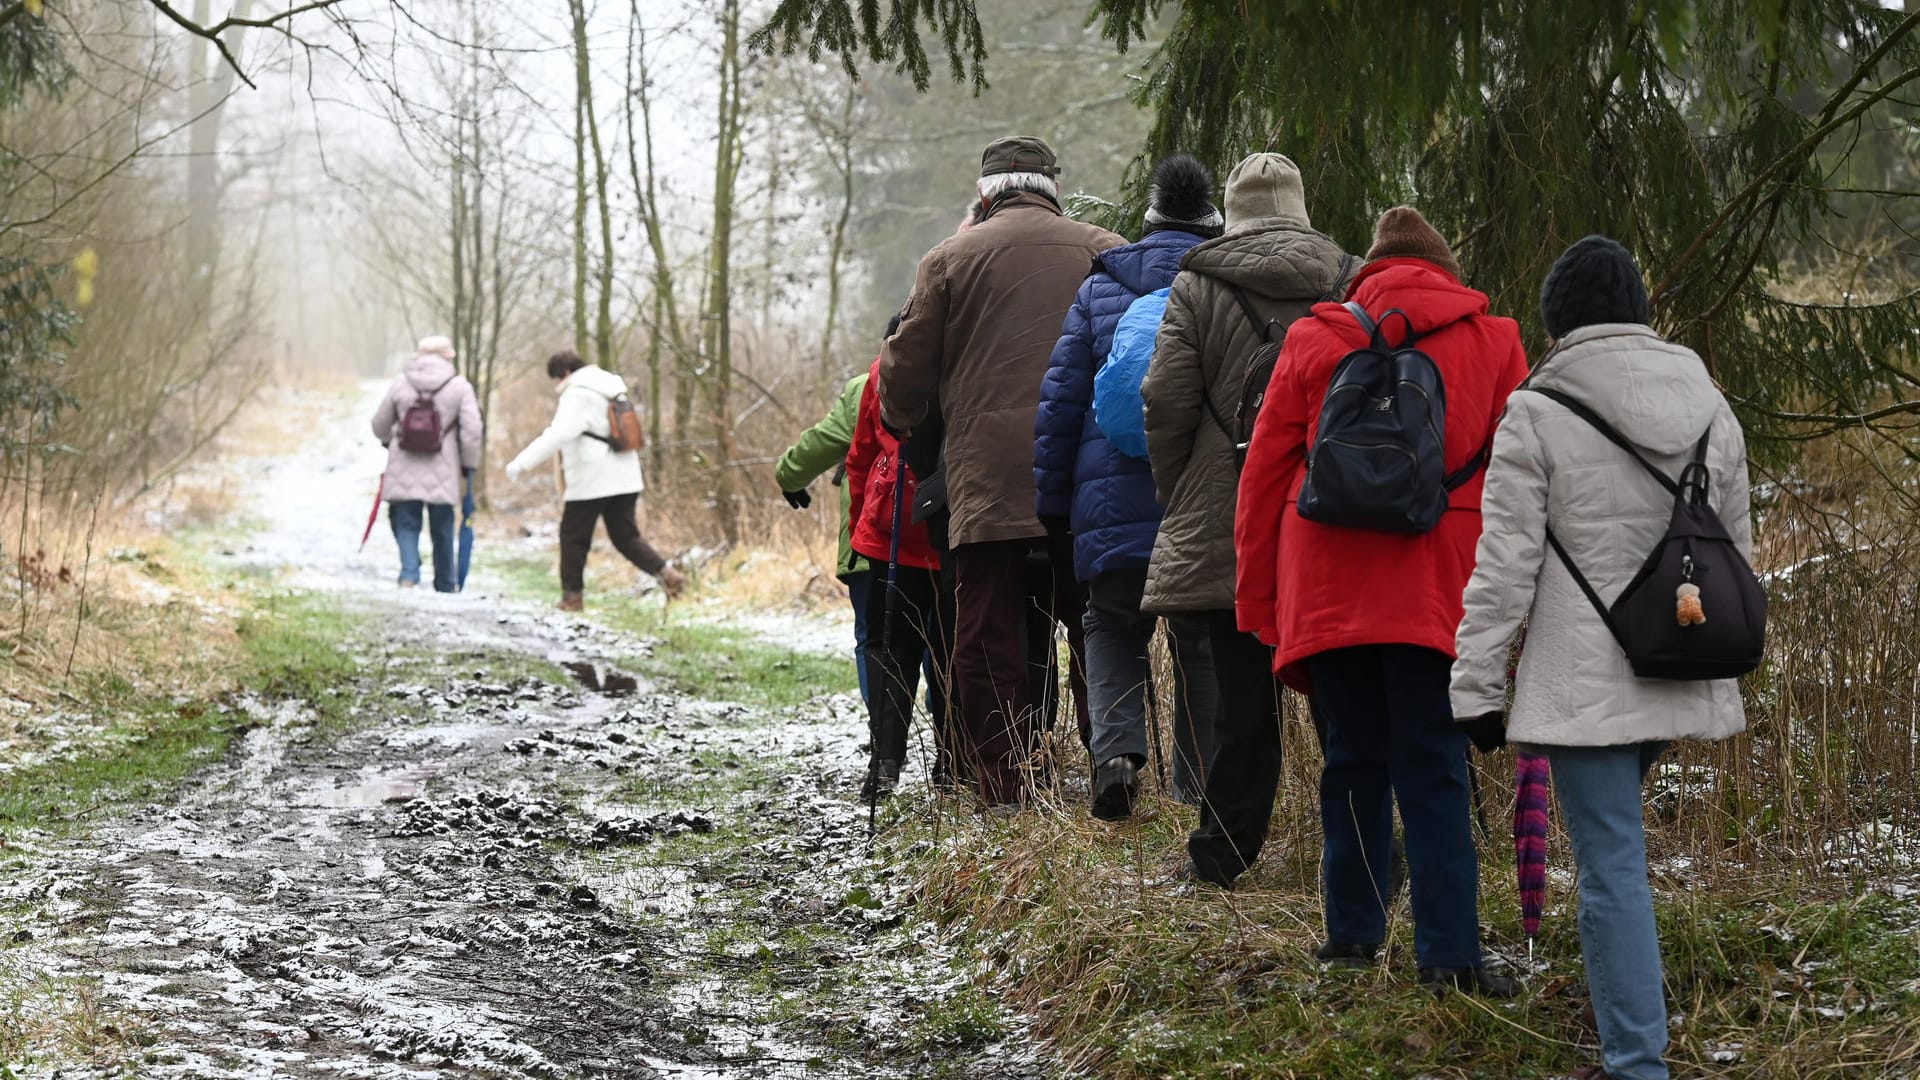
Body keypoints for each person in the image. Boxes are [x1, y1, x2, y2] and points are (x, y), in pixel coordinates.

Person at [1453, 236, 1752, 1079]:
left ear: (1556, 323)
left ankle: (1635, 1063)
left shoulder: (1537, 410)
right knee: (1619, 854)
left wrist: (1476, 686)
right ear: (1642, 312)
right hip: (1684, 655)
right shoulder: (1709, 406)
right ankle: (1633, 1043)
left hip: (1584, 681)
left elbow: (1504, 566)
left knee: (1613, 864)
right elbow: (1735, 550)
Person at [1235, 206, 1528, 995]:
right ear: (1446, 271)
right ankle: (1448, 957)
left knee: (1351, 761)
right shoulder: (1495, 341)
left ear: (1366, 271)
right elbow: (1519, 486)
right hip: (1438, 586)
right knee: (1435, 766)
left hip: (1325, 585)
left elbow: (1262, 479)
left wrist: (1262, 604)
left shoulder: (1313, 338)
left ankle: (1351, 944)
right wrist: (1520, 614)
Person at [878, 135, 1123, 808]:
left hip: (987, 477)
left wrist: (904, 421)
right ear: (1052, 188)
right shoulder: (1105, 247)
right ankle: (1111, 765)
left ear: (986, 194)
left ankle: (1004, 784)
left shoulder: (949, 259)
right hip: (1086, 471)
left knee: (986, 634)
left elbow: (903, 369)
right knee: (1097, 624)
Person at [1138, 154, 1352, 874]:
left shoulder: (1198, 284)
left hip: (1229, 510)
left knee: (1239, 696)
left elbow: (1164, 399)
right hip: (1331, 509)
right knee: (1338, 697)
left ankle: (1223, 853)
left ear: (1231, 212)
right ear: (1300, 206)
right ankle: (1354, 848)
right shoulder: (1345, 278)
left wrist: (1183, 489)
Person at [1034, 155, 1224, 820]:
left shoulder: (1101, 288)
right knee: (1199, 639)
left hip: (1111, 502)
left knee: (1110, 626)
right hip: (1198, 503)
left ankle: (1116, 757)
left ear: (1146, 224)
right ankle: (1197, 788)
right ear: (1212, 225)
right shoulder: (1225, 288)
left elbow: (1059, 407)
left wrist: (1053, 506)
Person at [846, 352, 955, 798]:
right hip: (956, 523)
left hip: (893, 529)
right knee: (952, 648)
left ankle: (885, 761)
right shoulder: (969, 360)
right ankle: (952, 761)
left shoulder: (885, 370)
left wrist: (860, 529)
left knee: (892, 647)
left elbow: (861, 458)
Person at [505, 350, 684, 608]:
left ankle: (572, 597)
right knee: (625, 536)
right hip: (625, 474)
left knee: (573, 536)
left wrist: (522, 463)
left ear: (564, 374)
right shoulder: (611, 387)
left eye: (556, 380)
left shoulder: (578, 393)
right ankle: (668, 576)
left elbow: (559, 433)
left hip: (593, 478)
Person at [775, 369, 873, 702]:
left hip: (871, 541)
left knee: (873, 640)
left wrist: (788, 475)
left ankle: (885, 744)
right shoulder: (959, 372)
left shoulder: (869, 385)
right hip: (940, 537)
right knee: (942, 639)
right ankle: (946, 741)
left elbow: (821, 443)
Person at [370, 335, 483, 593]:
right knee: (442, 526)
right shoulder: (459, 386)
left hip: (404, 464)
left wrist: (391, 440)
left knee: (405, 521)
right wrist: (468, 464)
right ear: (448, 356)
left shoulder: (401, 383)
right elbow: (472, 430)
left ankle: (409, 574)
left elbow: (379, 425)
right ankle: (445, 582)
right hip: (443, 466)